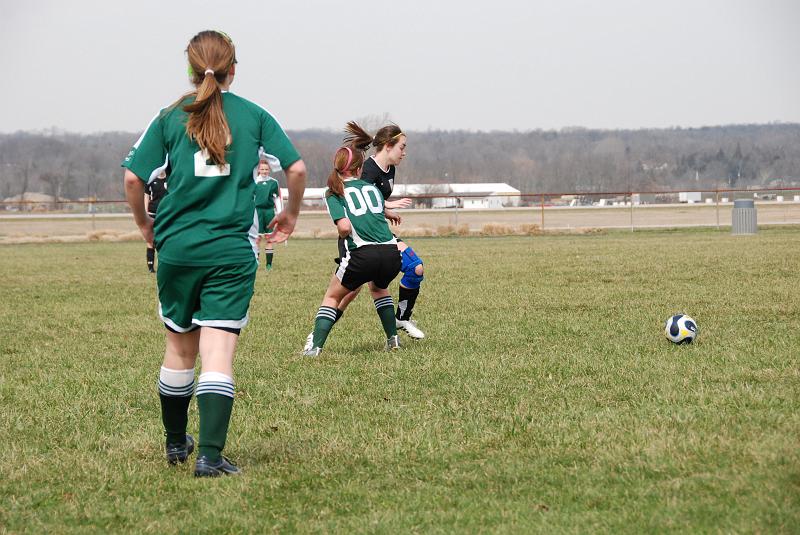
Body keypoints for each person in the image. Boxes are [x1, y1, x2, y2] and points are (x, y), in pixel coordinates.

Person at [122, 30, 306, 477]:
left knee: (179, 349)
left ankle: (173, 444)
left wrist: (145, 224)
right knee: (217, 351)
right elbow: (297, 168)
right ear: (234, 70)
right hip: (228, 250)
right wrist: (291, 217)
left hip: (178, 248)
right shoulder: (255, 115)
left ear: (190, 69)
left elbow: (132, 178)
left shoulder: (168, 116)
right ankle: (209, 455)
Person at [304, 122, 425, 352]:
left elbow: (344, 227)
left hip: (362, 249)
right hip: (388, 251)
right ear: (360, 169)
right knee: (377, 288)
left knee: (335, 295)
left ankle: (314, 343)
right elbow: (376, 207)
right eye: (402, 147)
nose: (404, 152)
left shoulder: (334, 191)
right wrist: (387, 210)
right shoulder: (371, 182)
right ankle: (393, 339)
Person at [253, 158, 282, 270]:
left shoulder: (273, 182)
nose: (264, 171)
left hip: (269, 211)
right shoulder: (254, 181)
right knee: (257, 239)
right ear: (259, 170)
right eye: (262, 169)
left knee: (269, 238)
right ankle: (256, 262)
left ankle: (269, 264)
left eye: (266, 169)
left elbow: (276, 199)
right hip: (257, 212)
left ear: (269, 170)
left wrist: (279, 213)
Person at [144, 164, 169, 272]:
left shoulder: (170, 179)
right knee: (151, 240)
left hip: (166, 213)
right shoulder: (151, 181)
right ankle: (150, 267)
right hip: (153, 213)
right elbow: (146, 196)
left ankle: (164, 265)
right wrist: (145, 212)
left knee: (165, 240)